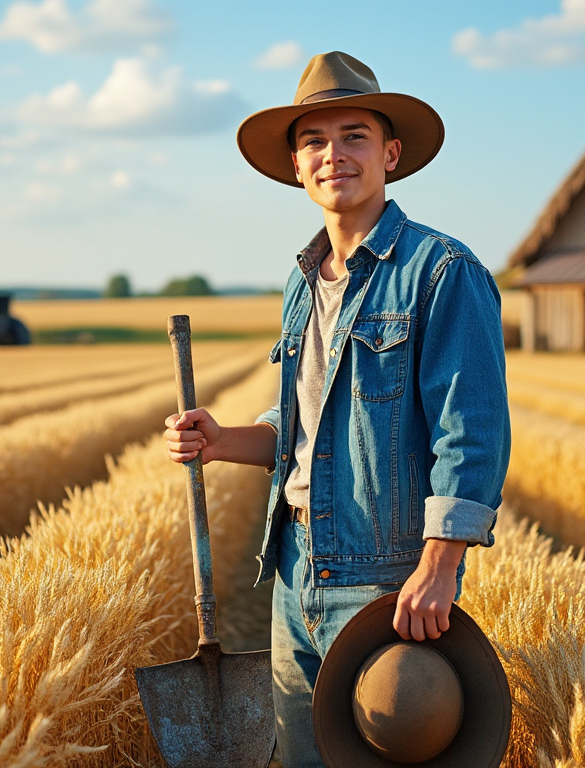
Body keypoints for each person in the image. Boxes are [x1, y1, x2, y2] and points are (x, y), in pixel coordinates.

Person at [162, 51, 510, 767]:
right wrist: (222, 438)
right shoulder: (301, 283)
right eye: (314, 141)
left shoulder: (442, 271)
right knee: (306, 758)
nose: (333, 155)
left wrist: (440, 566)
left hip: (386, 581)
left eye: (354, 136)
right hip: (294, 575)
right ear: (296, 165)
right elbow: (302, 428)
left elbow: (470, 434)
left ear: (390, 153)